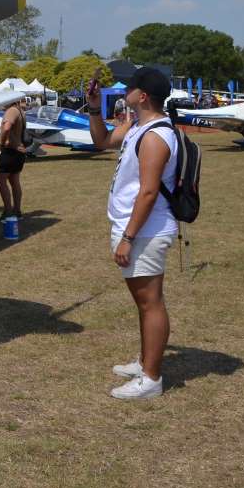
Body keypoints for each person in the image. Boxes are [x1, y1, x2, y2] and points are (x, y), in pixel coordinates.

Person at [87, 67, 178, 400]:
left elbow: (149, 193)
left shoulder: (155, 136)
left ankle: (151, 378)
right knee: (145, 303)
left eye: (131, 86)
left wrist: (128, 236)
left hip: (145, 231)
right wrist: (95, 108)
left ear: (142, 96)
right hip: (137, 228)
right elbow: (100, 141)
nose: (124, 88)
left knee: (150, 303)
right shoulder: (138, 126)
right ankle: (145, 362)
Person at [0, 98, 27, 221]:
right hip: (19, 151)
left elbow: (7, 127)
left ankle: (8, 211)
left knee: (0, 181)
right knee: (14, 181)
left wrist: (2, 142)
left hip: (10, 151)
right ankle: (17, 211)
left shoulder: (11, 111)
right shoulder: (20, 111)